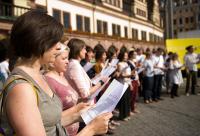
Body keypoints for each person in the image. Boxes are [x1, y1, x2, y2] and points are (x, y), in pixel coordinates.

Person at [0, 10, 112, 136]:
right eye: (54, 42)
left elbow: (47, 124)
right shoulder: (22, 88)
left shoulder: (37, 75)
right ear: (39, 42)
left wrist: (76, 114)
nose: (59, 48)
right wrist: (91, 130)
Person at [44, 44, 79, 136]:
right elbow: (50, 116)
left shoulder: (61, 75)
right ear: (52, 61)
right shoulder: (49, 80)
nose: (67, 62)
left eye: (67, 58)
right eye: (64, 59)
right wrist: (77, 109)